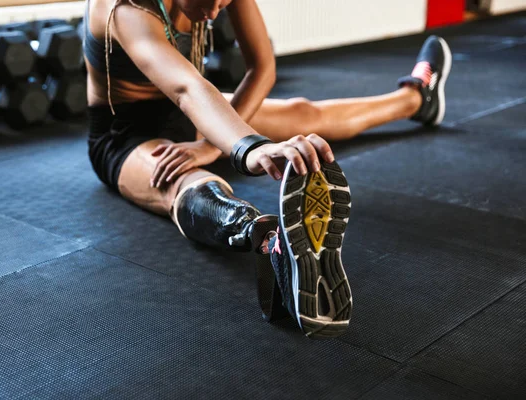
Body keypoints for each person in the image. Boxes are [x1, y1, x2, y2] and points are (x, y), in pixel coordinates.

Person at [83, 0, 452, 338]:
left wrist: (213, 144)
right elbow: (185, 86)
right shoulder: (124, 6)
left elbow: (263, 67)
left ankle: (417, 97)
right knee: (183, 183)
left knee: (303, 113)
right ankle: (268, 240)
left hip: (189, 113)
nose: (214, 12)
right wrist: (251, 147)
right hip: (126, 135)